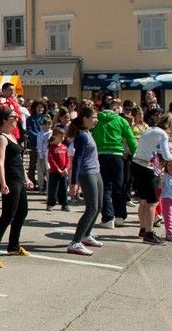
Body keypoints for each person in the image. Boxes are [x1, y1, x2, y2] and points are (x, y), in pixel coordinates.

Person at [0, 105, 34, 266]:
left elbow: (19, 162)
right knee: (7, 215)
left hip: (19, 179)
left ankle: (13, 245)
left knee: (22, 213)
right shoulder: (1, 137)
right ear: (5, 120)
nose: (17, 119)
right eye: (14, 117)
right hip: (10, 181)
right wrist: (2, 183)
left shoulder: (12, 136)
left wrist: (27, 178)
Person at [131, 112, 172, 244]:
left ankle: (143, 228)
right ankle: (149, 233)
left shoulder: (150, 129)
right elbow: (167, 156)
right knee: (153, 202)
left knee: (144, 200)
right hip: (145, 167)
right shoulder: (162, 134)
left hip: (136, 164)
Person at [91, 104, 138, 230]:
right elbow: (130, 138)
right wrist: (136, 154)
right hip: (117, 156)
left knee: (105, 188)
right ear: (116, 110)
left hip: (100, 155)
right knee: (119, 187)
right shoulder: (121, 120)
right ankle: (120, 216)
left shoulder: (96, 120)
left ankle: (108, 218)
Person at [66, 107, 104, 256]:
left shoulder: (88, 132)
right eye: (94, 117)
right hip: (86, 174)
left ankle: (86, 235)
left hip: (96, 171)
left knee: (99, 206)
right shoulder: (81, 136)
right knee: (92, 208)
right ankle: (75, 242)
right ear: (85, 119)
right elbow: (77, 159)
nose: (96, 120)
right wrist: (74, 182)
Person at [46, 128, 70, 212]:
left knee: (63, 188)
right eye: (60, 136)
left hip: (64, 172)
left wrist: (66, 168)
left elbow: (67, 159)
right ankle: (50, 204)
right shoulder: (52, 148)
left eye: (63, 136)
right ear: (55, 136)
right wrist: (58, 169)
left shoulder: (64, 147)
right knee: (53, 188)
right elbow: (50, 159)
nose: (62, 138)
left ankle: (64, 204)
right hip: (54, 172)